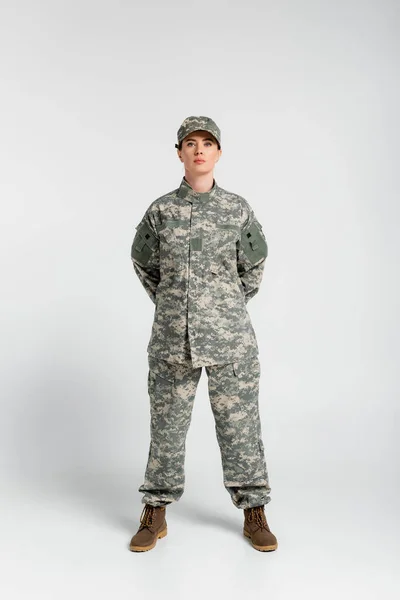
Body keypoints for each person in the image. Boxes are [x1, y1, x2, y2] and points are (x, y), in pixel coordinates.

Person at [129, 116, 277, 553]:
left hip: (230, 339)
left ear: (218, 153)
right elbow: (144, 266)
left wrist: (223, 308)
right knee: (167, 429)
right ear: (179, 153)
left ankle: (254, 509)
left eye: (207, 143)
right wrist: (177, 305)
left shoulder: (238, 210)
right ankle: (155, 509)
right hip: (173, 339)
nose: (199, 150)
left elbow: (253, 268)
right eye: (190, 143)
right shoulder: (160, 211)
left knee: (240, 427)